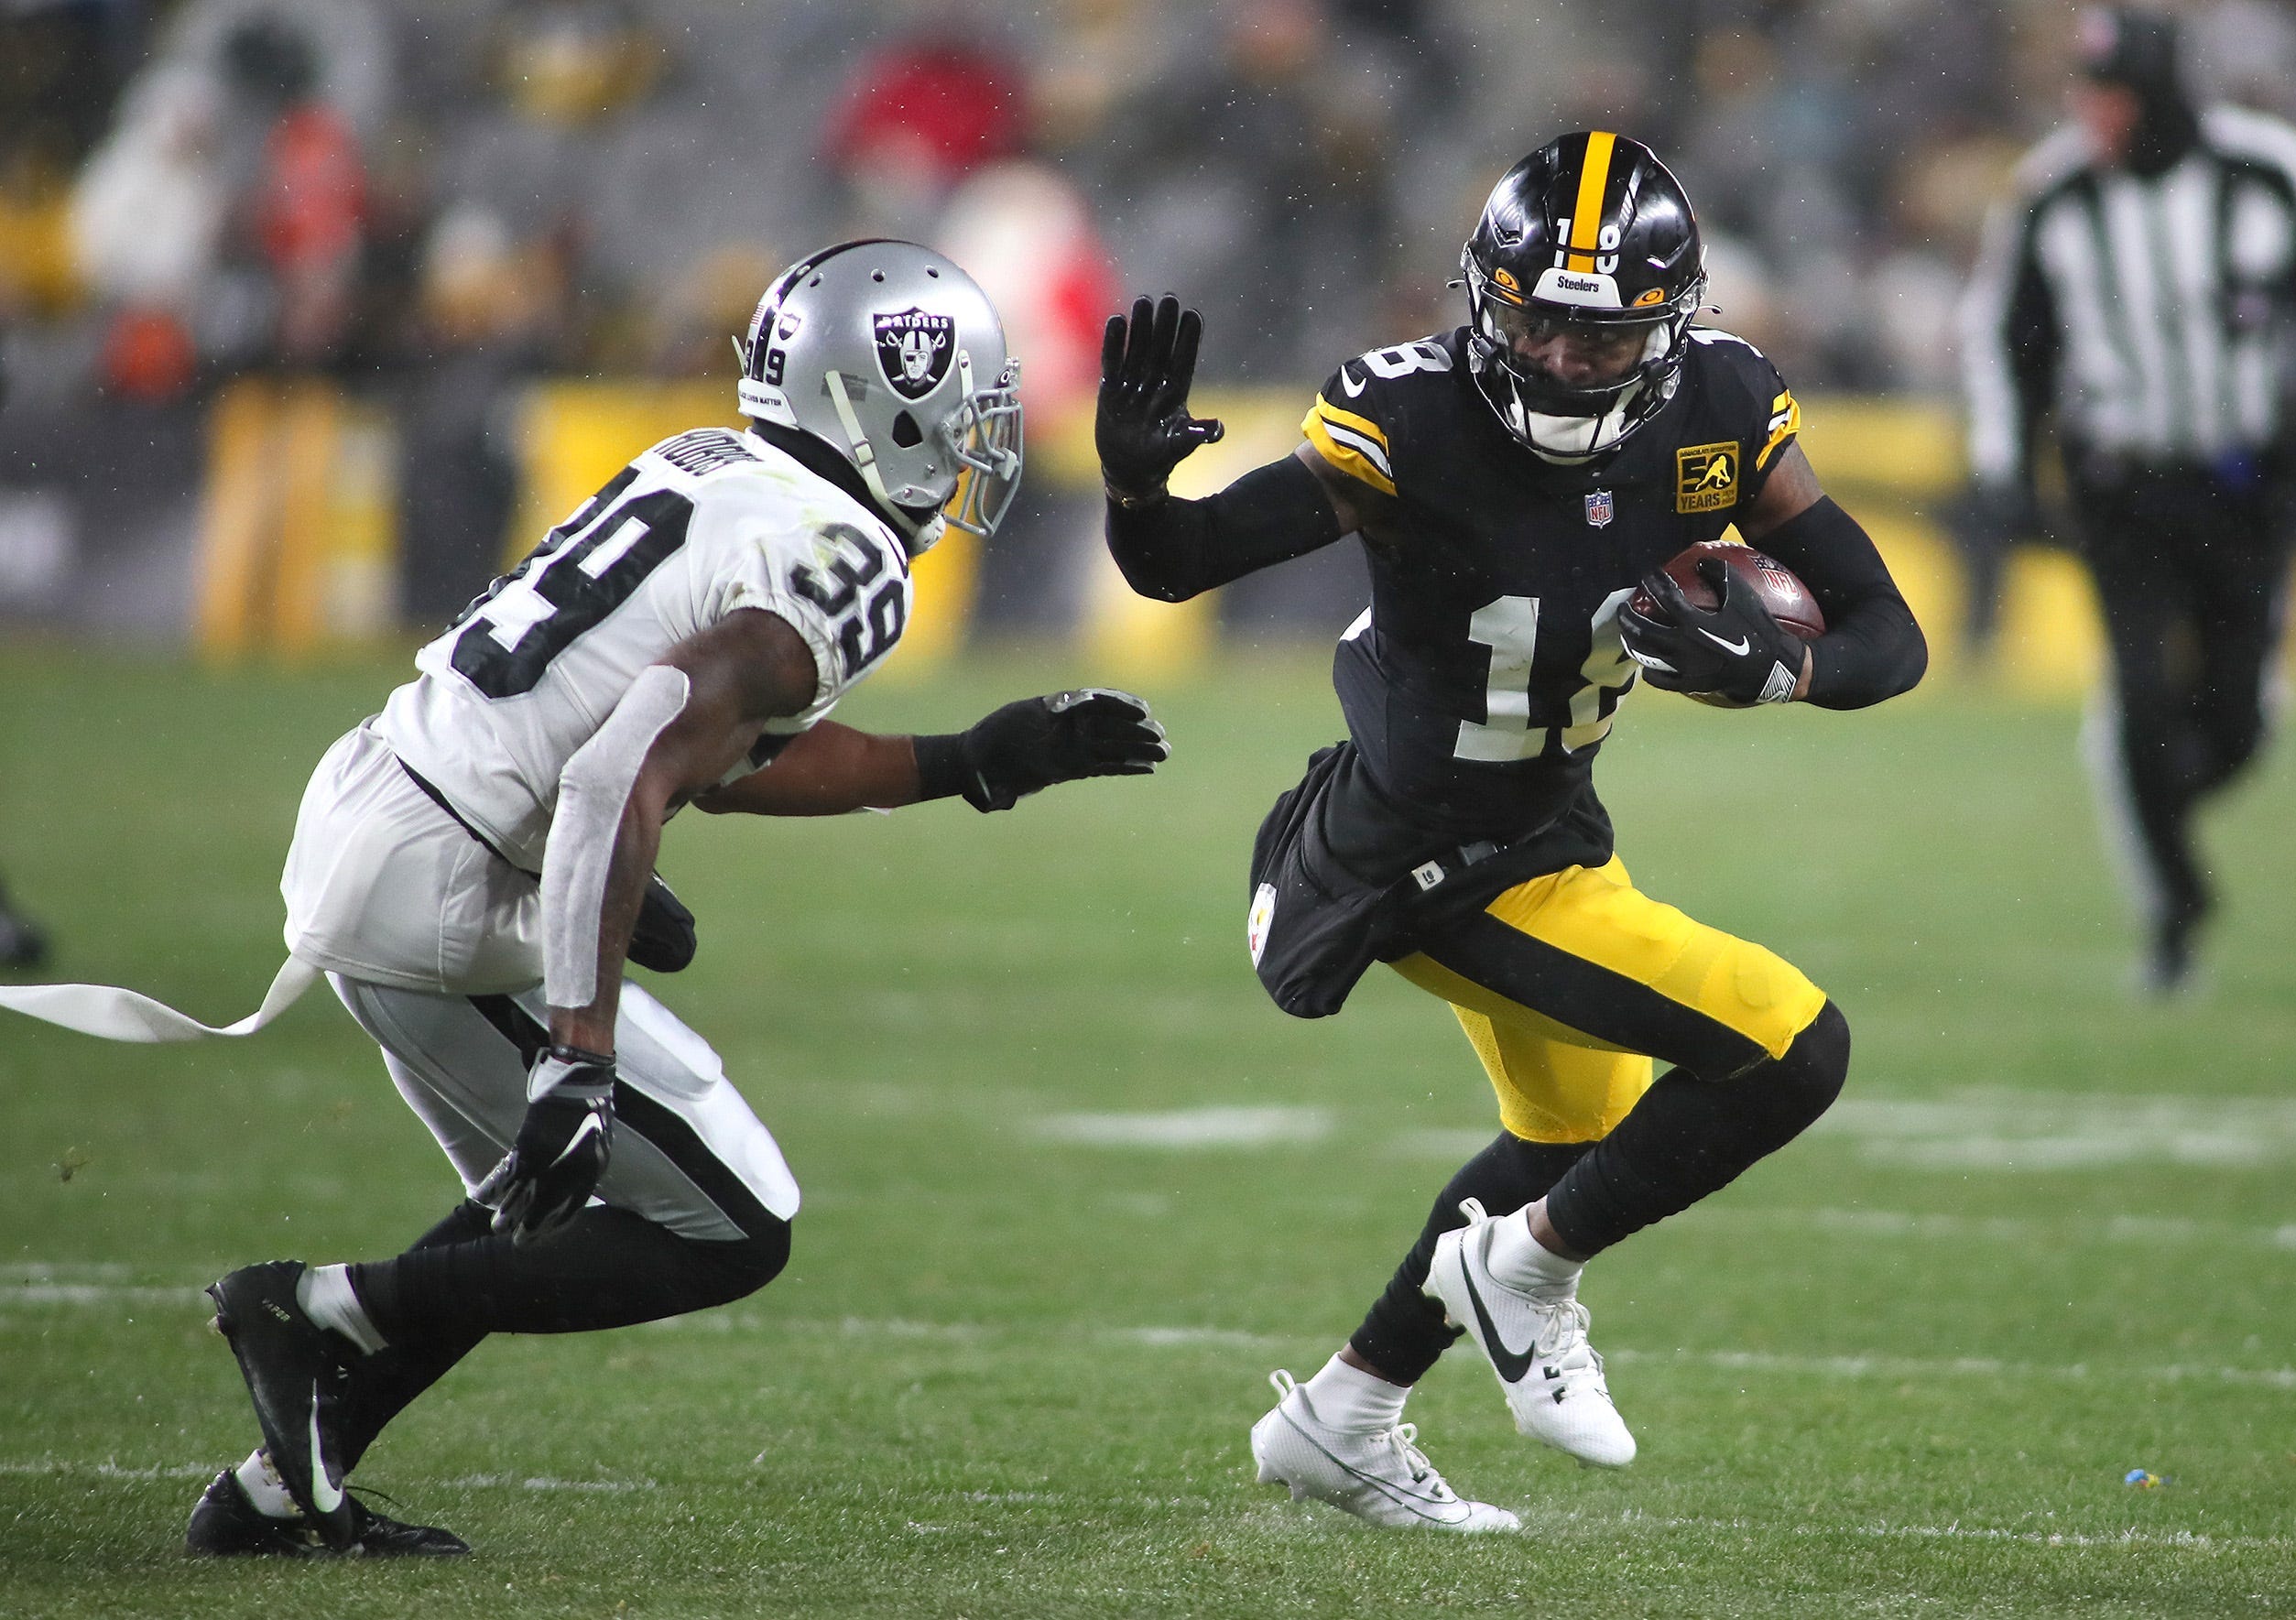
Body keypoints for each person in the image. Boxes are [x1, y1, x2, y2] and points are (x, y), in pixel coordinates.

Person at [0, 241, 1169, 1556]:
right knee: (732, 1217)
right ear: (876, 402)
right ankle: (313, 1306)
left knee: (532, 1208)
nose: (971, 434)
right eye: (956, 402)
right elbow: (632, 758)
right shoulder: (847, 555)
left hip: (388, 804)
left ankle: (278, 1492)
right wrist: (582, 1044)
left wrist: (968, 764)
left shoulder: (710, 465)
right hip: (449, 872)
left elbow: (695, 757)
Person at [1094, 133, 1926, 1531]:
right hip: (1421, 849)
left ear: (1673, 321)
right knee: (1792, 1048)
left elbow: (1886, 632)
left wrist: (1784, 672)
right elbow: (1179, 569)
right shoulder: (1406, 420)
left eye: (1603, 334)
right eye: (1537, 318)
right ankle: (1521, 1274)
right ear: (1483, 294)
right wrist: (1133, 491)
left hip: (1546, 821)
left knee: (1572, 1130)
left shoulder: (1725, 402)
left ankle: (1343, 1414)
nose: (1561, 357)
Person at [1958, 6, 2296, 993]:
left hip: (2242, 485)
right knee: (2144, 695)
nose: (2089, 115)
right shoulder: (2054, 193)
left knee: (2235, 724)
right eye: (2084, 93)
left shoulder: (2265, 170)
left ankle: (2154, 816)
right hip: (2126, 491)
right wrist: (2006, 468)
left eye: (2109, 97)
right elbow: (2006, 337)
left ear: (2155, 100)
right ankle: (2175, 903)